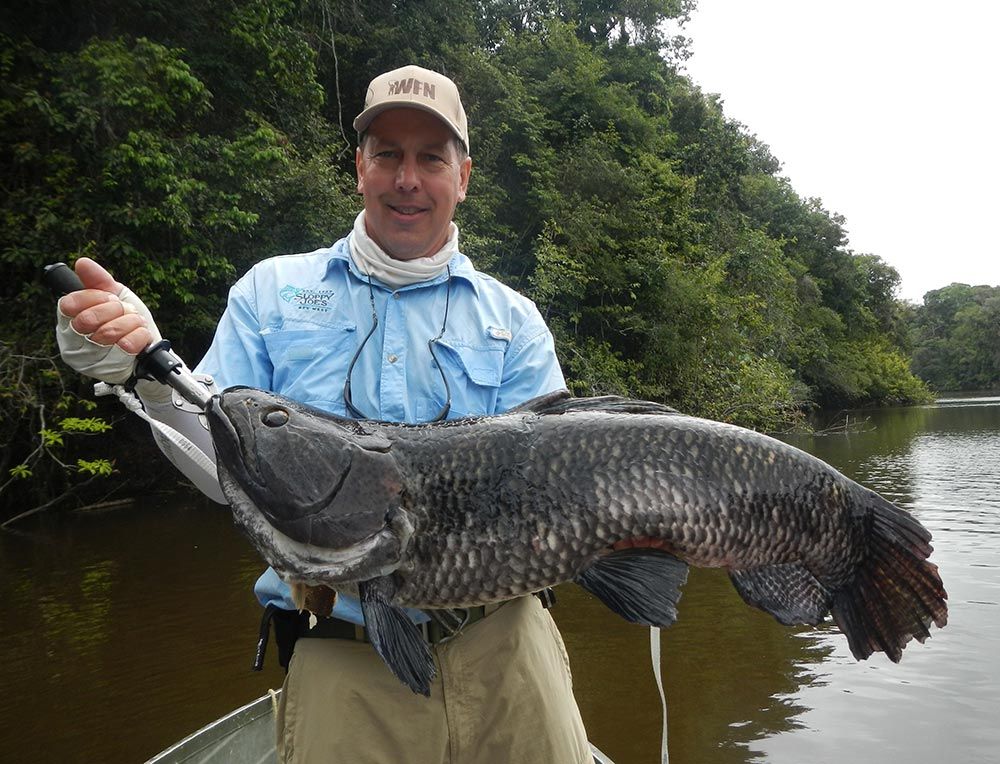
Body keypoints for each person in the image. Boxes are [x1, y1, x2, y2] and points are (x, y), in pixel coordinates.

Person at [55, 64, 593, 764]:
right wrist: (146, 377)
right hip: (341, 652)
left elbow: (552, 495)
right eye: (387, 154)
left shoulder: (516, 321)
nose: (408, 178)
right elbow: (227, 475)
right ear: (360, 167)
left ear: (463, 177)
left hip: (508, 648)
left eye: (431, 157)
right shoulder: (271, 292)